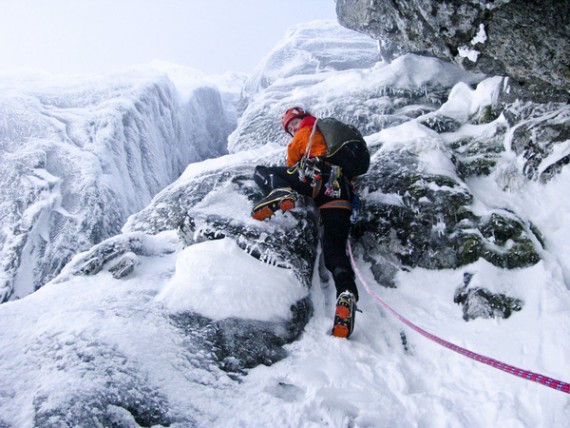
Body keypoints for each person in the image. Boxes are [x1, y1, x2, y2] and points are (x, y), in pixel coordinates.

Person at [251, 106, 359, 339]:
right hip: (340, 196)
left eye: (293, 124)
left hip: (315, 180)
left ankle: (280, 193)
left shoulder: (308, 129)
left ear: (302, 119)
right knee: (335, 253)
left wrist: (291, 172)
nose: (293, 128)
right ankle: (346, 294)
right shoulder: (331, 138)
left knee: (262, 171)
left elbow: (292, 161)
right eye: (290, 128)